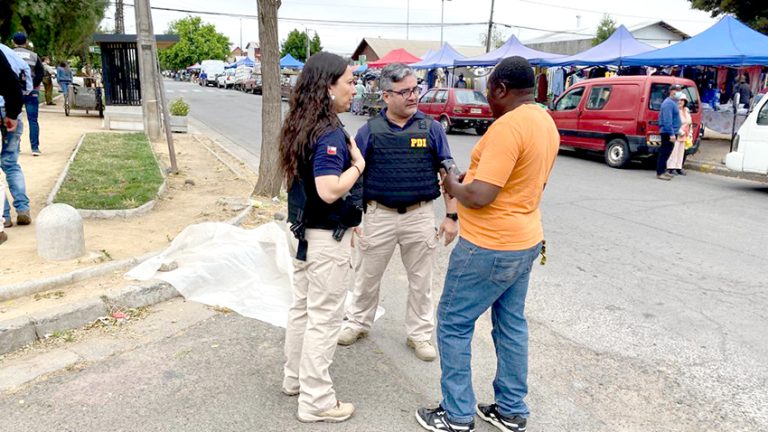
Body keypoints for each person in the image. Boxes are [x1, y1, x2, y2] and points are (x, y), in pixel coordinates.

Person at [415, 56, 559, 432]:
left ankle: (457, 414)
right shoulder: (544, 120)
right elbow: (526, 182)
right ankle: (511, 409)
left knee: (452, 322)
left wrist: (452, 183)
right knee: (511, 324)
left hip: (489, 245)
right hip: (526, 239)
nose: (487, 100)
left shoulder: (508, 127)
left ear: (500, 89)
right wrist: (470, 178)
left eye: (488, 92)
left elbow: (478, 196)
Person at [338, 63, 459, 362]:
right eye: (404, 91)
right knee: (367, 276)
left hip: (419, 216)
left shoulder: (431, 129)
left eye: (415, 89)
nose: (412, 96)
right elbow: (354, 174)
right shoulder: (369, 132)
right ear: (386, 96)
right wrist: (353, 218)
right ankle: (357, 323)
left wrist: (451, 216)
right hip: (379, 216)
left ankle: (419, 334)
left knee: (421, 280)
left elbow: (449, 173)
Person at [281, 52, 364, 424]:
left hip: (300, 232)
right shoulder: (330, 132)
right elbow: (329, 189)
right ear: (328, 86)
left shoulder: (301, 123)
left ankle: (295, 379)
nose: (354, 87)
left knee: (302, 308)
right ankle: (316, 400)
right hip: (323, 240)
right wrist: (359, 165)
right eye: (349, 81)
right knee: (325, 318)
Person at [0, 43, 32, 228]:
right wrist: (13, 112)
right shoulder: (13, 55)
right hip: (12, 112)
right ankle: (22, 209)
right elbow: (25, 85)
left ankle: (4, 216)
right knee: (11, 163)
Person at [12, 32, 43, 156]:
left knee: (14, 118)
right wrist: (31, 85)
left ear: (13, 42)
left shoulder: (8, 54)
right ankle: (35, 148)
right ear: (26, 42)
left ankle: (15, 147)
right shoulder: (34, 56)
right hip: (32, 92)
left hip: (13, 92)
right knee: (33, 120)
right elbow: (40, 73)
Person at [656, 85, 681, 181]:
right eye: (677, 90)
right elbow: (667, 120)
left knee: (667, 152)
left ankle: (663, 170)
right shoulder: (668, 104)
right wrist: (671, 134)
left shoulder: (673, 103)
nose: (679, 92)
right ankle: (660, 172)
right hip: (667, 132)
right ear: (672, 91)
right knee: (664, 152)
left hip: (672, 131)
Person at [667, 93, 691, 176]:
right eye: (679, 100)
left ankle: (678, 167)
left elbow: (689, 123)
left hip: (684, 135)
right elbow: (673, 123)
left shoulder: (686, 111)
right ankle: (671, 167)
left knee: (681, 152)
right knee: (674, 151)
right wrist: (680, 131)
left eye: (682, 100)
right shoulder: (674, 110)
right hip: (677, 133)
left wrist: (689, 133)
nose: (680, 102)